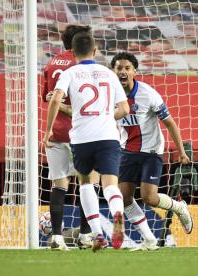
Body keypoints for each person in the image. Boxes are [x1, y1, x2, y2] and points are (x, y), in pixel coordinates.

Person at [43, 31, 130, 252]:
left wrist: (48, 129)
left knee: (84, 183)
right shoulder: (109, 74)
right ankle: (117, 213)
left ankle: (97, 235)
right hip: (108, 136)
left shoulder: (70, 72)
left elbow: (54, 98)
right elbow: (125, 108)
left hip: (82, 137)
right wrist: (107, 117)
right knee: (108, 184)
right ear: (95, 50)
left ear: (74, 51)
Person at [111, 52, 193, 251]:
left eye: (127, 68)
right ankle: (149, 239)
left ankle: (179, 207)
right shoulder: (109, 94)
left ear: (135, 71)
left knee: (149, 198)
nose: (122, 72)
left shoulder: (148, 94)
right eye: (119, 68)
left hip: (151, 152)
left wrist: (181, 152)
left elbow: (170, 123)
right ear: (113, 71)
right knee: (124, 197)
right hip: (126, 151)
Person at [42, 24, 99, 251]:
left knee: (59, 185)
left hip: (55, 132)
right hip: (81, 132)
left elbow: (47, 97)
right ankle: (85, 236)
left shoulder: (51, 63)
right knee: (87, 183)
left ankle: (57, 237)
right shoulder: (84, 66)